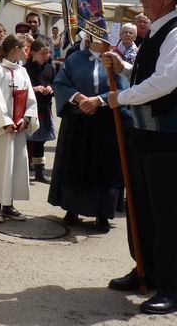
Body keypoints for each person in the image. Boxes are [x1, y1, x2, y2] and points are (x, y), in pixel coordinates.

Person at [103, 0, 177, 316]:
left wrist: (120, 98)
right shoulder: (158, 32)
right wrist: (124, 66)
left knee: (167, 212)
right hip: (146, 133)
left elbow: (167, 81)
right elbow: (151, 74)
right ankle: (145, 269)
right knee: (142, 206)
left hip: (168, 138)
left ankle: (174, 288)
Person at [49, 33, 133, 232]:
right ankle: (72, 209)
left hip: (106, 123)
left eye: (102, 37)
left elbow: (124, 89)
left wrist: (99, 100)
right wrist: (79, 98)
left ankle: (102, 213)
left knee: (104, 167)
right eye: (93, 36)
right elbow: (60, 84)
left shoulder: (116, 61)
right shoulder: (74, 59)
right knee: (76, 164)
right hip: (79, 121)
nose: (98, 41)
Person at [0, 35, 38, 222]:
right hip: (1, 130)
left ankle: (9, 205)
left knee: (15, 165)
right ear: (14, 49)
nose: (26, 52)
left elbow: (31, 98)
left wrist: (26, 119)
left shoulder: (23, 72)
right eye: (24, 48)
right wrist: (5, 121)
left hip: (18, 128)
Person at [25, 38, 56, 183]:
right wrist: (34, 89)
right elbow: (20, 89)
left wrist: (51, 88)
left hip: (44, 110)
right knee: (27, 142)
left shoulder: (50, 68)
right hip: (30, 111)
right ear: (34, 53)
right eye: (43, 53)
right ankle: (22, 171)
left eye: (48, 53)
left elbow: (56, 85)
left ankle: (39, 172)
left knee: (40, 142)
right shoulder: (25, 69)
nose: (46, 56)